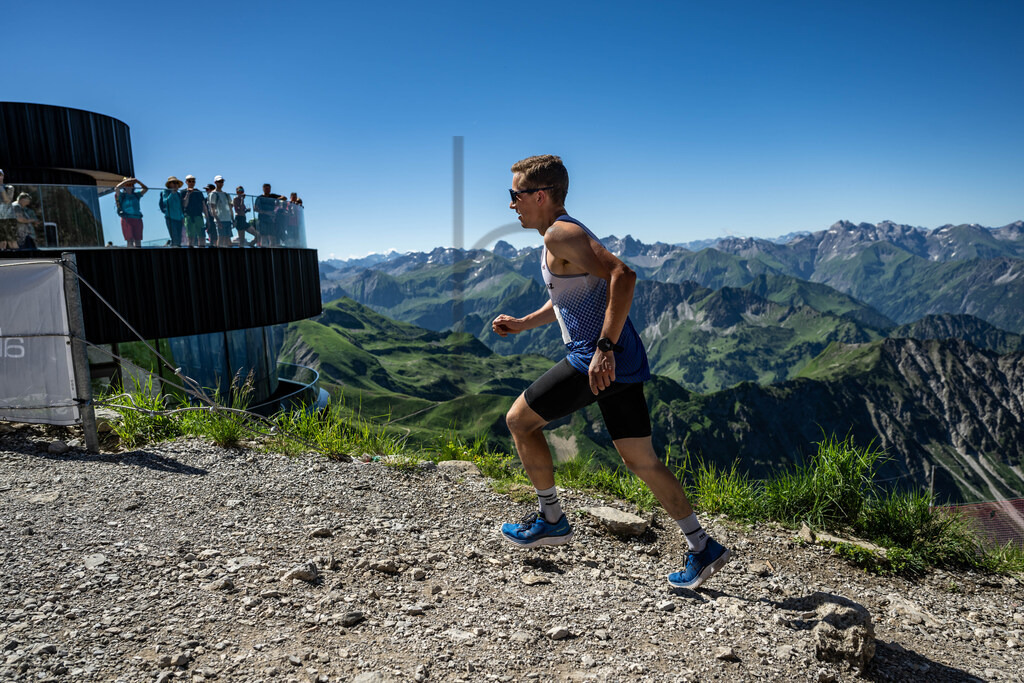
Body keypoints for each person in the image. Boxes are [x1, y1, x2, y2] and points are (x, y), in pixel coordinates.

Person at [491, 155, 731, 590]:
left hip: (595, 357)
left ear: (539, 195)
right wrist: (525, 322)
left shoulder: (562, 233)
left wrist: (603, 348)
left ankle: (551, 519)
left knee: (519, 421)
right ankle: (702, 546)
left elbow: (624, 275)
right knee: (641, 459)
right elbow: (569, 297)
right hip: (624, 358)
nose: (512, 204)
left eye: (516, 195)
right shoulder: (560, 237)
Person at [114, 177, 149, 247]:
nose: (129, 186)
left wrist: (138, 182)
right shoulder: (122, 196)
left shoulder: (136, 195)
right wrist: (127, 181)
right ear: (124, 186)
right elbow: (116, 188)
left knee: (138, 240)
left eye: (131, 184)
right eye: (127, 184)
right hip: (126, 219)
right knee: (130, 240)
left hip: (138, 219)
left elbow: (146, 189)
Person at [181, 174, 208, 247]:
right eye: (190, 181)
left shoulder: (199, 192)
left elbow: (204, 206)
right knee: (191, 237)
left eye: (193, 181)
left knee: (202, 236)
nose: (192, 183)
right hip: (189, 217)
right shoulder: (183, 192)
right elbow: (184, 205)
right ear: (186, 182)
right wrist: (188, 194)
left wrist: (207, 218)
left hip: (199, 216)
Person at [208, 176, 234, 247]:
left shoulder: (226, 194)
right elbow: (212, 208)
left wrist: (233, 219)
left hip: (228, 219)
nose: (221, 183)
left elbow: (230, 208)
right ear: (215, 182)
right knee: (221, 237)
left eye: (222, 182)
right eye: (219, 182)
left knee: (228, 238)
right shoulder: (213, 194)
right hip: (220, 219)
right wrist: (217, 220)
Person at [159, 176, 185, 247]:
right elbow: (166, 202)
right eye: (174, 182)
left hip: (179, 219)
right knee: (174, 237)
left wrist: (182, 217)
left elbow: (180, 208)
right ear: (169, 184)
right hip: (170, 218)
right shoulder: (165, 192)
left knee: (179, 239)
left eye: (177, 183)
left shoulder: (178, 194)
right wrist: (172, 193)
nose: (175, 184)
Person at [0, 169, 15, 250]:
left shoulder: (9, 187)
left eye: (0, 175)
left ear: (3, 176)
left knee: (10, 241)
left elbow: (7, 200)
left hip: (7, 218)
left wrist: (1, 188)